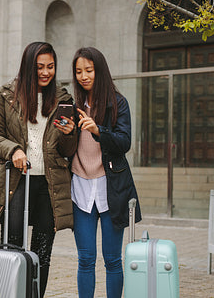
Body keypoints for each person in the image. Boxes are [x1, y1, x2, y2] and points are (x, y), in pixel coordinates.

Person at [0, 42, 77, 297]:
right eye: (39, 67)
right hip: (17, 181)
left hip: (49, 185)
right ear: (28, 67)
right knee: (13, 246)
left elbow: (68, 149)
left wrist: (70, 133)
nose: (46, 72)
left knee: (42, 252)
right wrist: (14, 150)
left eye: (50, 67)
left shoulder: (63, 98)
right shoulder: (6, 95)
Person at [70, 47, 142, 298]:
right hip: (80, 187)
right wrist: (65, 131)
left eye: (88, 70)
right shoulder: (72, 104)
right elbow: (63, 148)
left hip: (111, 188)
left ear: (99, 71)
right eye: (78, 71)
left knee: (112, 259)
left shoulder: (118, 102)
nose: (83, 76)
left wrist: (99, 130)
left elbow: (125, 142)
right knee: (85, 258)